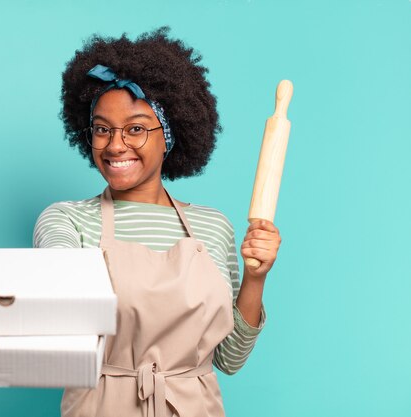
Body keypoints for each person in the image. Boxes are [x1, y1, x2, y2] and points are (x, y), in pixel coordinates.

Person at [33, 27, 281, 417]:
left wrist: (256, 277)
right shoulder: (66, 219)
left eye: (135, 129)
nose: (115, 145)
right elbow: (59, 301)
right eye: (102, 129)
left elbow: (230, 359)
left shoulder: (212, 226)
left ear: (168, 135)